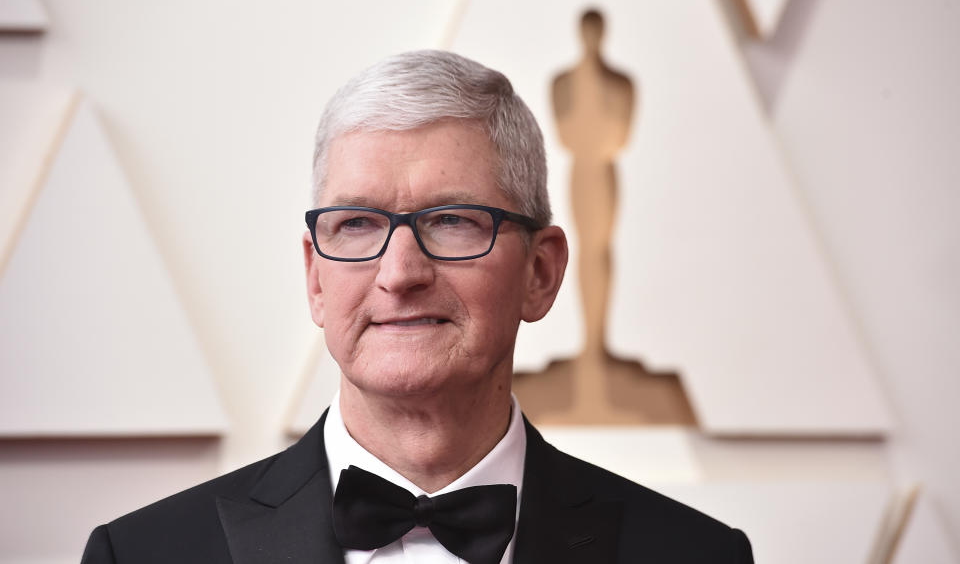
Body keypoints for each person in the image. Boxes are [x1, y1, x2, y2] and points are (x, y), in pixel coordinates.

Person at [81, 50, 753, 563]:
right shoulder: (141, 555)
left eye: (453, 221)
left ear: (540, 274)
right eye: (357, 225)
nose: (399, 273)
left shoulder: (695, 555)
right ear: (316, 279)